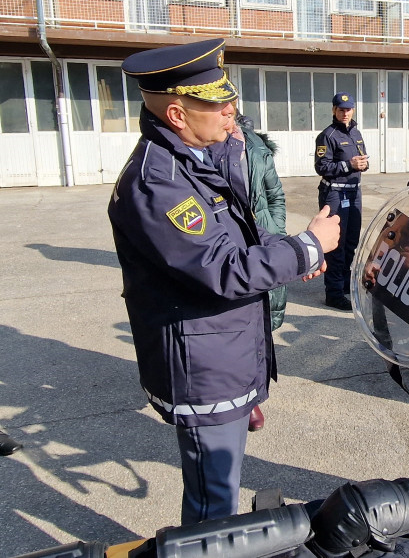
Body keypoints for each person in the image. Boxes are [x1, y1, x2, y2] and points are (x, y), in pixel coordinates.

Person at [108, 38, 341, 525]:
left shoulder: (198, 157)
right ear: (177, 115)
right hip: (203, 368)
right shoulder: (159, 182)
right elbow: (224, 270)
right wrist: (307, 247)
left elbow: (242, 240)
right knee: (214, 507)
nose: (233, 113)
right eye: (219, 106)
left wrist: (292, 257)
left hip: (224, 354)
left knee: (223, 492)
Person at [231, 113, 288, 432]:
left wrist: (276, 231)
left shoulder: (257, 149)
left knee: (263, 319)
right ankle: (246, 399)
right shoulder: (205, 150)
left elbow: (276, 196)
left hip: (264, 239)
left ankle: (253, 388)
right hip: (231, 243)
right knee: (236, 318)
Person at [315, 92, 369, 310]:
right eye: (341, 109)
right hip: (335, 194)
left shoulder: (356, 133)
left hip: (354, 193)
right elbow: (322, 167)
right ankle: (334, 293)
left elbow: (362, 159)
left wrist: (364, 164)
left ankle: (345, 284)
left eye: (348, 109)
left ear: (353, 110)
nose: (345, 113)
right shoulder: (327, 136)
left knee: (351, 243)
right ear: (334, 111)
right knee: (335, 244)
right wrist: (349, 166)